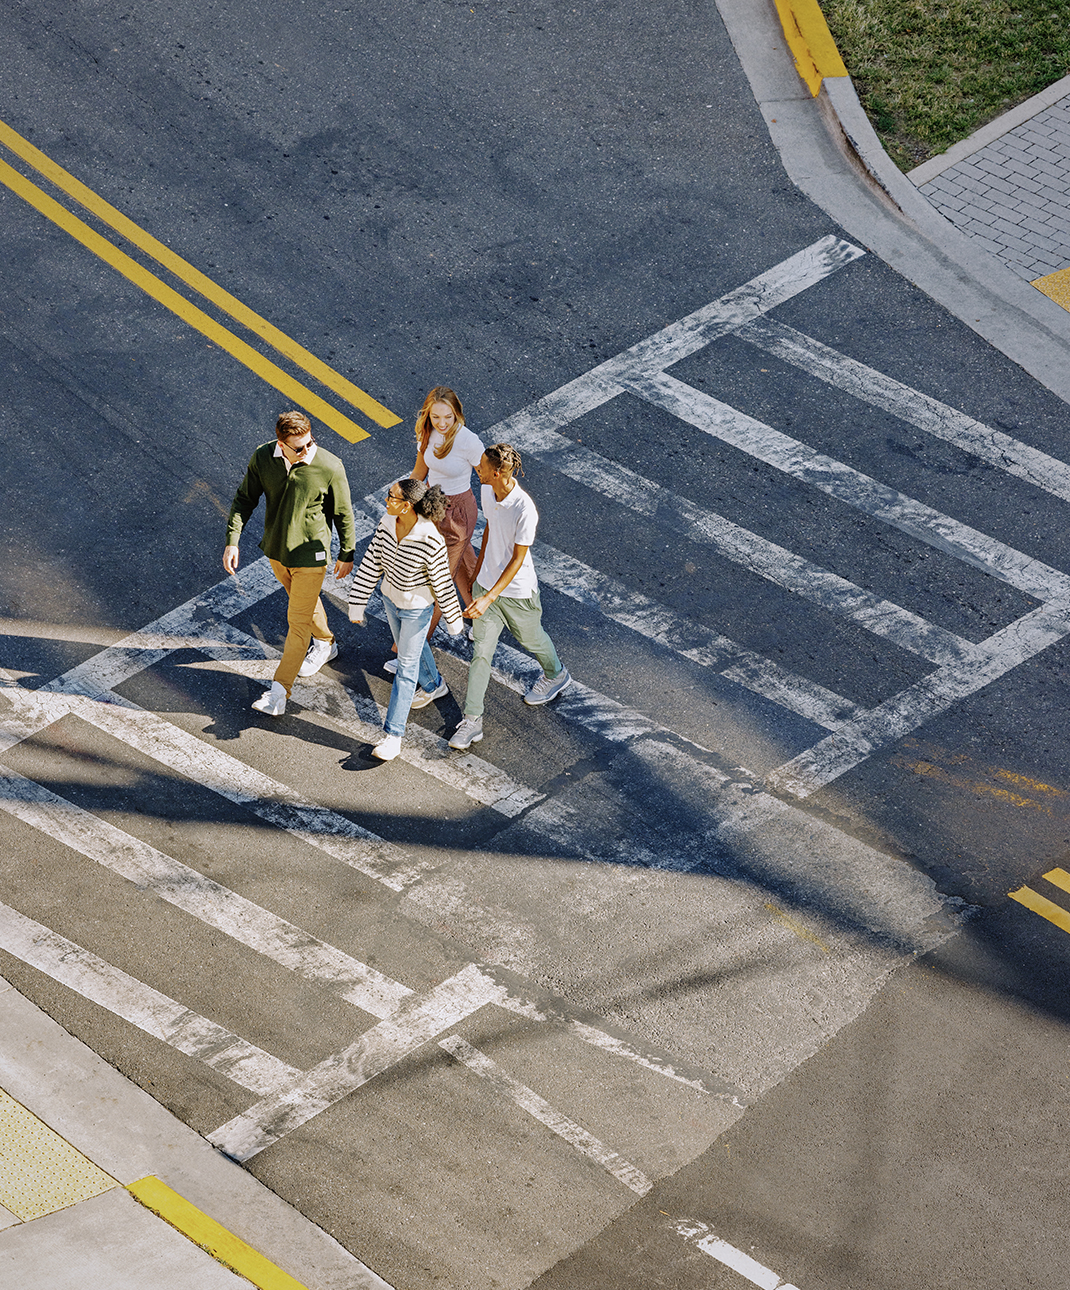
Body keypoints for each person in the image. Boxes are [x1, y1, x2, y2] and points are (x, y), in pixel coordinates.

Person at [224, 410, 355, 718]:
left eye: (310, 443)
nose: (307, 451)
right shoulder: (263, 458)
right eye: (299, 447)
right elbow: (244, 499)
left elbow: (343, 513)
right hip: (276, 552)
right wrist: (233, 540)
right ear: (280, 444)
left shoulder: (329, 465)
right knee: (305, 606)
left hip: (311, 556)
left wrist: (347, 552)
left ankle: (279, 692)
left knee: (296, 624)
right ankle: (326, 642)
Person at [448, 443, 570, 750]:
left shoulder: (524, 508)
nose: (477, 471)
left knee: (531, 640)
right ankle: (472, 721)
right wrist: (478, 574)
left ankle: (556, 674)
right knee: (481, 655)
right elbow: (490, 526)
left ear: (498, 472)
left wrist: (489, 597)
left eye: (481, 468)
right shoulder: (489, 492)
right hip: (487, 587)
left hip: (516, 594)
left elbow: (517, 559)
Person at [349, 478, 463, 761]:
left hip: (416, 608)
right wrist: (357, 604)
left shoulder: (430, 539)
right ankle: (435, 684)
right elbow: (372, 562)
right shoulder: (387, 523)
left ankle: (393, 736)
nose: (387, 501)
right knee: (408, 646)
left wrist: (452, 619)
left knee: (406, 667)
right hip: (390, 599)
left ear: (408, 505)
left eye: (392, 497)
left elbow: (441, 582)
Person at [383, 386, 483, 674]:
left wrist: (502, 510)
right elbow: (419, 473)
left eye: (448, 417)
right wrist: (403, 503)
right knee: (464, 565)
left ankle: (409, 653)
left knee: (436, 579)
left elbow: (486, 476)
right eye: (436, 416)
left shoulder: (467, 440)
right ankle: (483, 613)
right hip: (431, 505)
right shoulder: (427, 433)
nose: (442, 423)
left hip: (458, 515)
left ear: (457, 414)